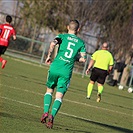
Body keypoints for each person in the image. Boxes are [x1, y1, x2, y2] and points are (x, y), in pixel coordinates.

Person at [40, 20, 86, 129]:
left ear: (67, 27)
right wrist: (74, 57)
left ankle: (45, 112)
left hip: (55, 67)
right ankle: (52, 116)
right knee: (59, 96)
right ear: (78, 30)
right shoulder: (80, 42)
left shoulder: (62, 36)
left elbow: (52, 44)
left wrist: (48, 56)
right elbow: (83, 59)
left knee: (49, 90)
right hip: (66, 71)